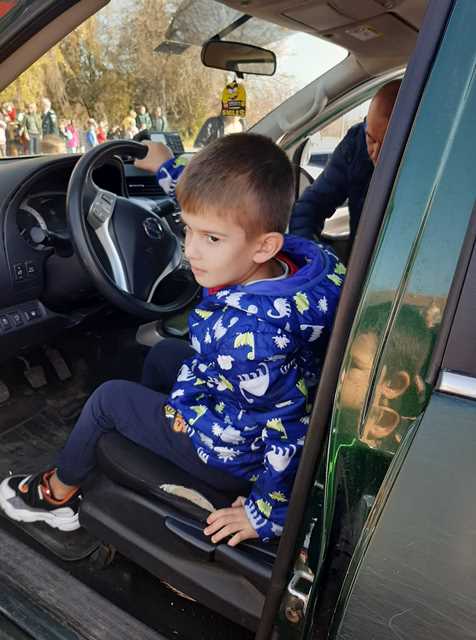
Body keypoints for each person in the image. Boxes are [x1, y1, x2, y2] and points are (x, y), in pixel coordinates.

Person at [0, 133, 345, 545]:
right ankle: (147, 436)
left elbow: (288, 430)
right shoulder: (305, 259)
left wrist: (266, 513)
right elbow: (216, 208)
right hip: (236, 408)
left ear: (264, 246)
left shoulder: (250, 338)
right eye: (186, 229)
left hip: (232, 453)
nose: (190, 251)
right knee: (164, 353)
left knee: (109, 400)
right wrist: (167, 167)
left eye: (211, 239)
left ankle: (57, 495)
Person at [289, 80, 401, 247]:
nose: (376, 154)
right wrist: (307, 252)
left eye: (388, 145)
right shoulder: (355, 144)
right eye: (371, 139)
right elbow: (312, 205)